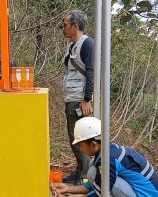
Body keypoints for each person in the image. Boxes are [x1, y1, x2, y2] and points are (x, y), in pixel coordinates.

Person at [52, 117, 158, 197]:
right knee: (94, 173)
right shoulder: (107, 152)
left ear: (93, 144)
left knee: (103, 183)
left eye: (81, 145)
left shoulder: (108, 161)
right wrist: (68, 189)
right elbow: (96, 184)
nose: (81, 149)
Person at [60, 10, 94, 184]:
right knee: (75, 138)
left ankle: (86, 177)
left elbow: (91, 71)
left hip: (80, 100)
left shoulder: (87, 43)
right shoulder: (71, 46)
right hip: (71, 98)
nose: (63, 28)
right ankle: (81, 170)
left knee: (82, 139)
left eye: (65, 25)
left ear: (75, 26)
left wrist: (87, 99)